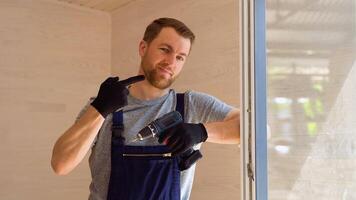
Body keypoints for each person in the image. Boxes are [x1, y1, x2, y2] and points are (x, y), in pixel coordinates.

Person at [51, 17, 240, 200]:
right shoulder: (106, 104)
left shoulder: (192, 105)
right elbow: (60, 165)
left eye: (180, 57)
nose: (171, 62)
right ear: (143, 47)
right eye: (165, 50)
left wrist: (202, 131)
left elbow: (255, 129)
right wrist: (99, 109)